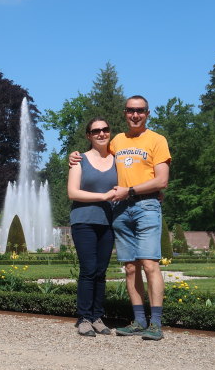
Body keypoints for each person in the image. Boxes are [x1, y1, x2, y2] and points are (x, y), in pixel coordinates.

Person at [70, 95, 171, 340]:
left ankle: (155, 323)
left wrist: (139, 191)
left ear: (147, 113)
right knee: (129, 268)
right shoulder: (118, 141)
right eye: (130, 110)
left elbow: (162, 180)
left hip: (144, 206)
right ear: (125, 113)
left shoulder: (157, 140)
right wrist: (74, 155)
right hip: (120, 211)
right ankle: (137, 321)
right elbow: (99, 155)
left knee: (150, 264)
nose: (135, 115)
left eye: (140, 110)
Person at [67, 118, 117, 337]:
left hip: (109, 222)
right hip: (84, 221)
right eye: (96, 131)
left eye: (105, 129)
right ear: (88, 135)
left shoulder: (118, 159)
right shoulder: (79, 160)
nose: (101, 133)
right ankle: (84, 318)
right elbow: (73, 192)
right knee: (88, 270)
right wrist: (103, 196)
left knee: (101, 271)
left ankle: (97, 316)